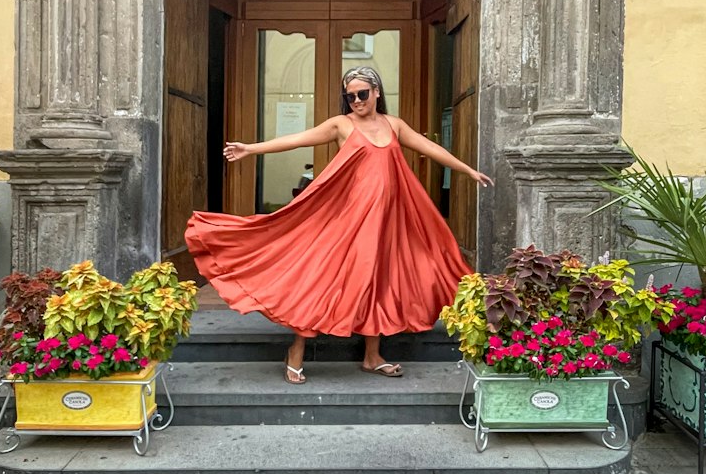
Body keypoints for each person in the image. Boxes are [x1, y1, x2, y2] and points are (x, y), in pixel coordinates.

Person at [185, 66, 493, 384]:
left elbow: (432, 149)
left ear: (376, 92)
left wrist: (467, 170)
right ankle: (296, 351)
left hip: (386, 222)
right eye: (350, 96)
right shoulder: (341, 124)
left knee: (380, 281)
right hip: (349, 220)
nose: (356, 101)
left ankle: (372, 356)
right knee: (324, 277)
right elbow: (297, 139)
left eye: (362, 94)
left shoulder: (394, 125)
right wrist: (252, 148)